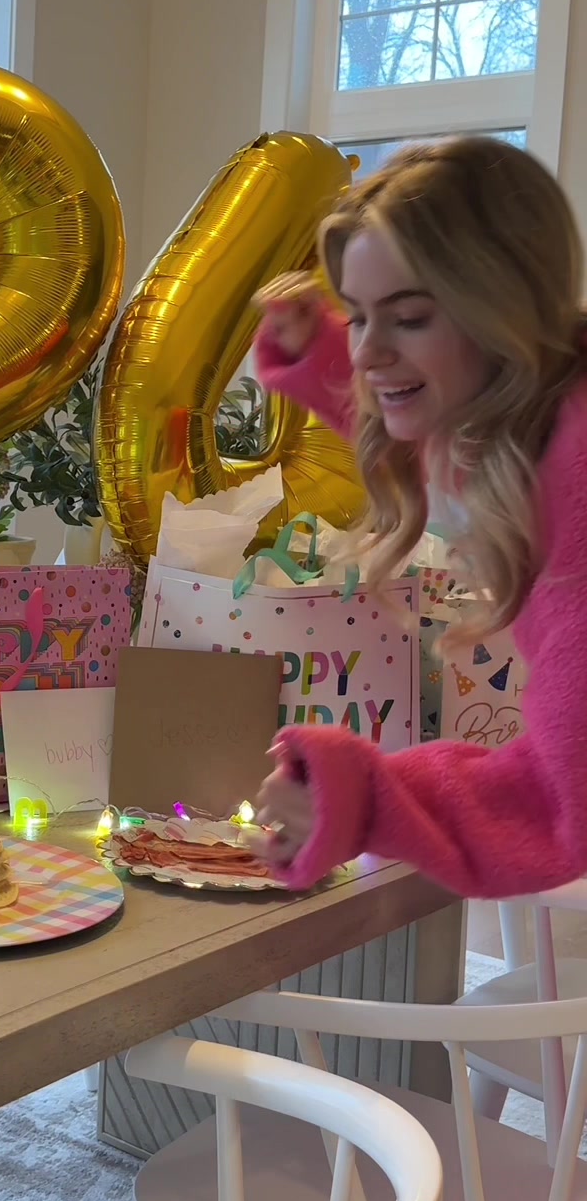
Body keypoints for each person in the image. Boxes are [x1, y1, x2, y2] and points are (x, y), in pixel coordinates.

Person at [250, 134, 587, 898]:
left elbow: (557, 806)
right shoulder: (538, 420)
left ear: (500, 312)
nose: (367, 354)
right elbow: (445, 449)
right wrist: (323, 351)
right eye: (358, 318)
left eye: (408, 317)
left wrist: (354, 796)